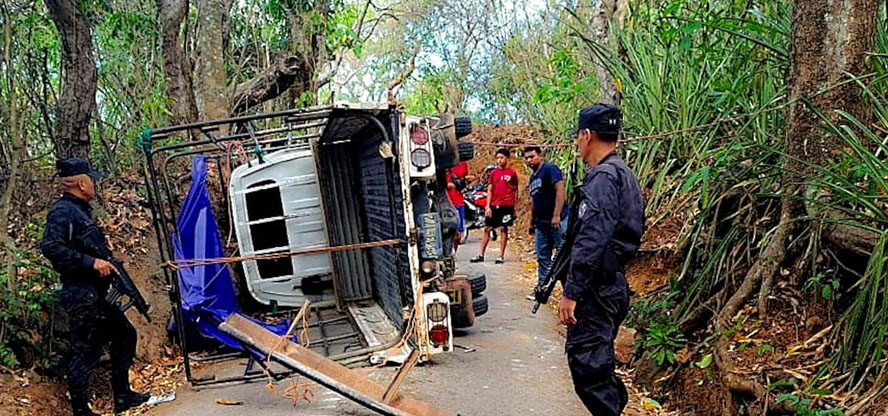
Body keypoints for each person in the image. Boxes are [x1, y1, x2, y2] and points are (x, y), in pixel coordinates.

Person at [40, 158, 150, 416]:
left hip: (96, 294)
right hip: (81, 294)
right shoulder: (63, 211)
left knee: (125, 335)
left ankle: (122, 395)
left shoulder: (79, 210)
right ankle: (81, 410)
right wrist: (91, 263)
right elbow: (51, 247)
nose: (95, 184)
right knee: (85, 352)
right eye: (91, 179)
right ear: (81, 183)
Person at [559, 104, 644, 416]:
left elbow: (591, 238)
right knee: (597, 364)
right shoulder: (622, 173)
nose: (577, 144)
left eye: (578, 138)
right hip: (611, 284)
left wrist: (572, 292)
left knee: (588, 366)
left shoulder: (604, 178)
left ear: (586, 135)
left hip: (597, 288)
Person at [524, 145, 567, 300]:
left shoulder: (550, 169)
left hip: (557, 222)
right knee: (543, 257)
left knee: (563, 258)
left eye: (532, 156)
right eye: (526, 158)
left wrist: (556, 215)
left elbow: (560, 190)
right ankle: (541, 290)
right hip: (541, 225)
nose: (529, 160)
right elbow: (534, 202)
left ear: (540, 156)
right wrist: (532, 222)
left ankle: (568, 293)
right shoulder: (533, 178)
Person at [470, 148, 518, 264]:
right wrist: (487, 206)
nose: (499, 160)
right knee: (487, 228)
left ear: (507, 159)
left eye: (501, 158)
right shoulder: (493, 173)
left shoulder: (511, 173)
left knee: (503, 228)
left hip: (506, 205)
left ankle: (501, 255)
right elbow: (490, 189)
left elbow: (515, 190)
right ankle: (481, 254)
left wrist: (514, 207)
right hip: (494, 204)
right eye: (497, 158)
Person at [446, 160, 470, 253]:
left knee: (458, 235)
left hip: (458, 201)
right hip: (445, 201)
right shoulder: (441, 161)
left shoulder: (463, 164)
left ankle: (453, 254)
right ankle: (448, 253)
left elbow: (463, 180)